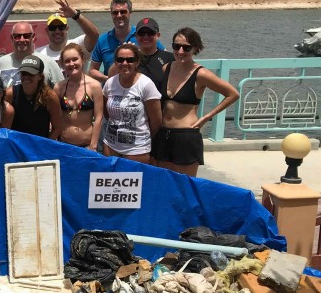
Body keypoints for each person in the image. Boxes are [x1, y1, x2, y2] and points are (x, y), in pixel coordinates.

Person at [152, 27, 239, 176]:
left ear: (195, 48)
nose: (180, 51)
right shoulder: (166, 68)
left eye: (186, 47)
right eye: (176, 46)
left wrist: (206, 117)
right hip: (164, 134)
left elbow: (233, 94)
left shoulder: (201, 74)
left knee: (185, 185)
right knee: (165, 183)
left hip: (186, 136)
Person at [102, 43, 162, 163]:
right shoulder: (110, 83)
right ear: (115, 62)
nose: (125, 63)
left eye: (130, 60)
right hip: (111, 145)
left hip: (137, 148)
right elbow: (105, 111)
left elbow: (156, 120)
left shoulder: (146, 84)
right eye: (120, 60)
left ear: (137, 62)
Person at [89, 0, 162, 82]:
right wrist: (109, 79)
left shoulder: (143, 35)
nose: (119, 15)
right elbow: (92, 71)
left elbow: (163, 58)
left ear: (130, 12)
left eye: (123, 12)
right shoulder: (102, 40)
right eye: (115, 12)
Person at [54, 44, 104, 150]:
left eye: (75, 59)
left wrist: (93, 145)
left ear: (83, 59)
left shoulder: (95, 86)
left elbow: (99, 117)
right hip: (64, 144)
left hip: (87, 145)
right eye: (67, 61)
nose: (71, 64)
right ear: (62, 64)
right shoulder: (59, 87)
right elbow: (54, 116)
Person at [0, 22, 64, 89]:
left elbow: (61, 90)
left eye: (26, 36)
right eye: (17, 36)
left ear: (33, 37)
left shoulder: (48, 62)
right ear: (12, 38)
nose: (22, 40)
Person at [6, 56, 63, 139]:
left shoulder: (50, 97)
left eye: (31, 73)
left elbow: (57, 128)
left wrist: (44, 146)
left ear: (40, 76)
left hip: (39, 147)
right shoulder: (10, 94)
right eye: (24, 73)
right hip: (15, 146)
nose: (26, 76)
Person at [109, 18, 172, 86]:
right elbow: (111, 78)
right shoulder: (130, 59)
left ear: (158, 35)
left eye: (150, 33)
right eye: (141, 33)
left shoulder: (169, 58)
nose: (146, 36)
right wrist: (121, 56)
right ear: (136, 36)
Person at [34, 0, 100, 64]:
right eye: (52, 28)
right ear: (47, 30)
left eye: (61, 27)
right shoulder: (38, 54)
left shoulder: (78, 45)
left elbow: (94, 34)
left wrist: (75, 15)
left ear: (67, 28)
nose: (57, 31)